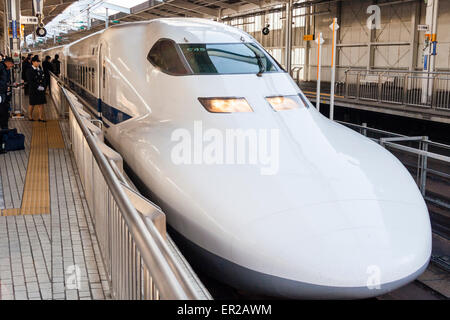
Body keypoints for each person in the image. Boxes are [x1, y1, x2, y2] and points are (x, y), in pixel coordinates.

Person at [26, 55, 46, 122]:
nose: (38, 63)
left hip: (40, 90)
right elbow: (30, 81)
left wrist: (43, 86)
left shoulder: (39, 69)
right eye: (37, 62)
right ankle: (30, 116)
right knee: (32, 104)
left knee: (41, 103)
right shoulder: (29, 70)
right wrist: (38, 87)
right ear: (33, 62)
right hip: (33, 89)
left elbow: (43, 79)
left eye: (38, 62)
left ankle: (40, 117)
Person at [0, 57, 14, 129]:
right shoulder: (1, 67)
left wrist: (11, 84)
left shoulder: (7, 69)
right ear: (8, 63)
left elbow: (7, 80)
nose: (12, 66)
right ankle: (3, 126)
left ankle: (5, 127)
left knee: (5, 109)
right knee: (2, 110)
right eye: (11, 64)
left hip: (6, 93)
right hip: (1, 93)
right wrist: (5, 86)